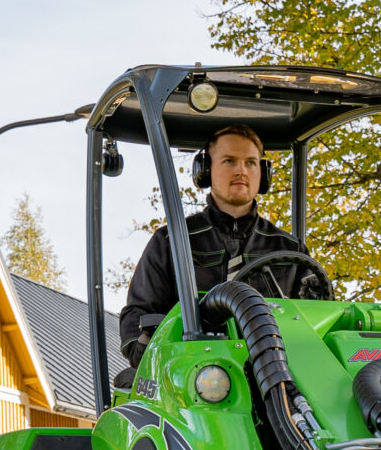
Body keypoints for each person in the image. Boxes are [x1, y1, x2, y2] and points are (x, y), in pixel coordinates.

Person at [118, 124, 331, 370]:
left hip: (275, 373)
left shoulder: (290, 249)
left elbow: (318, 320)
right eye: (229, 161)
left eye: (250, 162)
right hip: (190, 375)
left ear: (263, 172)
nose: (241, 171)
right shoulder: (172, 241)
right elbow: (139, 313)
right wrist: (144, 349)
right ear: (206, 170)